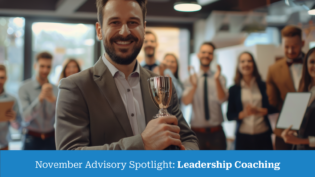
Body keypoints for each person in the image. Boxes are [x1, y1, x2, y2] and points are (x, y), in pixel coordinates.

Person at [55, 0, 198, 150]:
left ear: (144, 28)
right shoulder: (75, 88)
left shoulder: (161, 84)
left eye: (133, 22)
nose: (124, 31)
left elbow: (187, 138)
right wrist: (142, 143)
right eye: (115, 22)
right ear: (99, 30)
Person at [182, 42, 228, 150]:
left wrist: (216, 80)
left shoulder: (220, 78)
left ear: (212, 56)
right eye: (203, 52)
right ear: (198, 54)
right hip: (196, 133)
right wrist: (194, 86)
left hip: (217, 132)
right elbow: (185, 102)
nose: (206, 55)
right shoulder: (190, 79)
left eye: (209, 53)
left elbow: (222, 99)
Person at [227, 52, 277, 150]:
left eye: (249, 61)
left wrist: (259, 111)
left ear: (253, 64)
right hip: (243, 136)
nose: (246, 64)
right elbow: (229, 115)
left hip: (263, 134)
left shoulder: (263, 85)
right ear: (238, 66)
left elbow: (274, 108)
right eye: (242, 61)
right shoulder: (233, 89)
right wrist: (244, 113)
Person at [266, 25, 305, 150]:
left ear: (302, 43)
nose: (290, 50)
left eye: (294, 46)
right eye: (286, 47)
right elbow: (273, 100)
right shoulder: (273, 69)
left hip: (310, 125)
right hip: (284, 128)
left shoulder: (312, 63)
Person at [18, 52, 58, 150]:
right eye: (42, 66)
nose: (45, 70)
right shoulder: (24, 88)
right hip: (31, 139)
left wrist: (54, 101)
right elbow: (25, 117)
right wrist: (40, 98)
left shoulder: (56, 89)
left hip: (52, 139)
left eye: (48, 67)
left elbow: (62, 117)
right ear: (35, 66)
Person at [281, 47, 315, 150]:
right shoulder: (306, 90)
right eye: (312, 62)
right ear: (306, 65)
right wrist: (291, 132)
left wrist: (301, 141)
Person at [0, 65, 21, 150]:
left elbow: (19, 127)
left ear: (6, 78)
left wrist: (13, 120)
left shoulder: (12, 100)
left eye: (1, 77)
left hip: (4, 146)